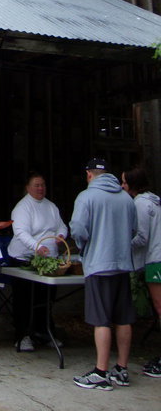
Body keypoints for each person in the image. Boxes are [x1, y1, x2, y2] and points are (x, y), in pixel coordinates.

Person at [70, 157, 137, 391]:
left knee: (102, 320)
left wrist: (83, 245)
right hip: (122, 264)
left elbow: (78, 228)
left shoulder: (86, 197)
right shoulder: (126, 198)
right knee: (123, 318)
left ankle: (100, 372)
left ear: (89, 175)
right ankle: (122, 369)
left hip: (99, 264)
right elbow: (134, 229)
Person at [7, 171, 68, 352]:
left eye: (42, 185)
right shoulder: (23, 208)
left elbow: (61, 225)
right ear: (27, 188)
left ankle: (44, 332)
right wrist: (36, 247)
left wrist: (61, 235)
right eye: (36, 185)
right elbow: (21, 232)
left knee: (46, 297)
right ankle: (22, 335)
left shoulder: (51, 206)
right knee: (24, 298)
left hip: (49, 260)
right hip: (24, 258)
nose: (40, 188)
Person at [121, 166, 161, 378]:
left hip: (156, 260)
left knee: (160, 307)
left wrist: (121, 245)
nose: (122, 186)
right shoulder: (155, 200)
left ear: (133, 184)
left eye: (125, 182)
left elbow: (142, 238)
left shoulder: (139, 204)